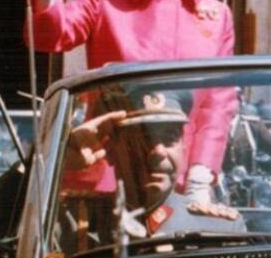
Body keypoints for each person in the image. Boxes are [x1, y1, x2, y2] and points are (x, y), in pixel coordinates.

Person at [29, 0, 238, 206]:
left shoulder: (215, 16)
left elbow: (218, 104)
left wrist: (202, 174)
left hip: (180, 183)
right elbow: (48, 35)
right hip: (108, 181)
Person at [62, 87, 242, 249]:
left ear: (183, 148)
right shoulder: (72, 220)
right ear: (110, 150)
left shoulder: (220, 230)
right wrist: (63, 157)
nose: (158, 152)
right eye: (142, 139)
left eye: (170, 138)